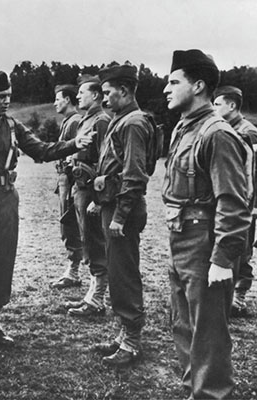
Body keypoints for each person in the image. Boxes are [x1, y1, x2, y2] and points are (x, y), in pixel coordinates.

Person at [0, 70, 93, 351]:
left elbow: (42, 150)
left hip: (7, 200)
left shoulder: (13, 126)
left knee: (3, 257)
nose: (7, 101)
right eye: (1, 97)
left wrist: (73, 144)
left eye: (9, 96)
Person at [162, 49, 251, 399]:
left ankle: (211, 394)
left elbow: (233, 201)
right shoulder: (185, 128)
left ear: (198, 85)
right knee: (183, 325)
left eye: (173, 82)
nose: (166, 89)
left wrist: (222, 259)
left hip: (203, 242)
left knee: (208, 332)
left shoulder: (217, 134)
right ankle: (194, 392)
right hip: (181, 237)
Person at [89, 63, 155, 366]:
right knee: (117, 270)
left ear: (125, 91)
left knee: (124, 273)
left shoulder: (133, 123)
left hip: (122, 211)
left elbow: (135, 175)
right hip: (112, 205)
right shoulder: (123, 119)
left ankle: (131, 340)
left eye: (107, 92)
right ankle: (123, 334)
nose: (103, 99)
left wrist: (119, 216)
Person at [213, 85, 257, 316]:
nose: (214, 108)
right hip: (232, 197)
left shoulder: (248, 131)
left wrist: (256, 205)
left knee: (241, 248)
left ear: (232, 106)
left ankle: (239, 296)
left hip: (245, 201)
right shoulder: (225, 129)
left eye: (218, 104)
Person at [65, 75, 109, 317]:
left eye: (83, 92)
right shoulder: (86, 120)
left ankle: (98, 298)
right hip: (80, 186)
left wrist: (99, 199)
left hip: (92, 188)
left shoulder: (101, 121)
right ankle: (91, 294)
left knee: (95, 241)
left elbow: (106, 159)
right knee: (87, 240)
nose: (78, 96)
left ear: (96, 95)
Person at [50, 84, 84, 289]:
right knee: (67, 224)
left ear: (68, 100)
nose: (55, 103)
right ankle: (73, 270)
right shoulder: (68, 121)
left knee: (70, 225)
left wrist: (72, 183)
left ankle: (74, 272)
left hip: (71, 179)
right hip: (65, 178)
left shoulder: (75, 122)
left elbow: (77, 154)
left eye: (58, 99)